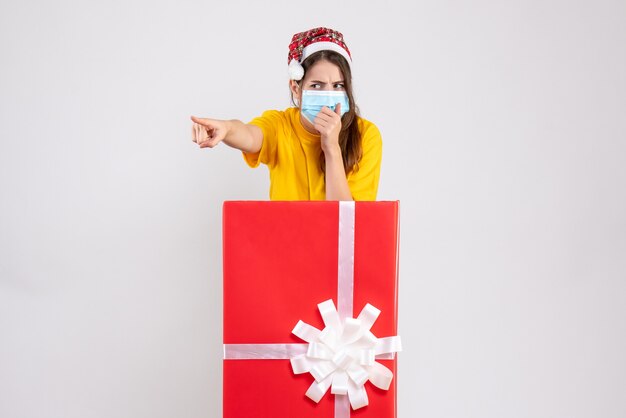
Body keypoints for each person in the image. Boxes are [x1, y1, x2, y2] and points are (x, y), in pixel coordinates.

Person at [190, 27, 382, 201]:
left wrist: (331, 148)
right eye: (316, 85)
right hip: (286, 239)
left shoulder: (366, 136)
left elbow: (348, 221)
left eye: (338, 86)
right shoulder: (280, 124)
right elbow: (249, 135)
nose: (328, 95)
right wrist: (226, 128)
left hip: (337, 240)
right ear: (296, 88)